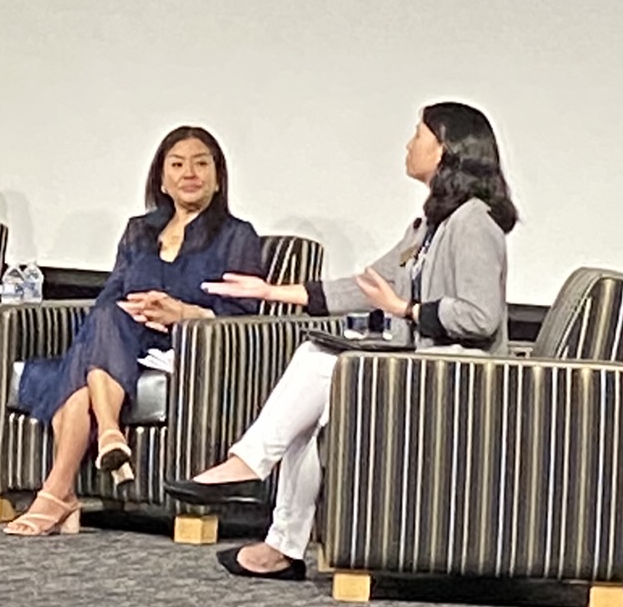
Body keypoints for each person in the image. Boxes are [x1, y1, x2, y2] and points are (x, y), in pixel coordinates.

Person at [163, 101, 517, 580]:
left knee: (316, 361)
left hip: (458, 378)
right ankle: (281, 548)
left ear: (446, 148)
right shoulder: (431, 224)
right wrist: (274, 291)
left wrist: (407, 310)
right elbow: (365, 283)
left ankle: (247, 465)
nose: (408, 144)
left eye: (418, 134)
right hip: (425, 369)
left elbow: (479, 317)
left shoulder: (473, 221)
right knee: (315, 409)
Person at [4, 126, 265, 539]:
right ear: (161, 179)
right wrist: (131, 309)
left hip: (182, 349)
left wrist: (184, 313)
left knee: (84, 360)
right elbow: (110, 293)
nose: (189, 174)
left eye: (201, 164)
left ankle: (61, 488)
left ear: (218, 178)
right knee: (108, 318)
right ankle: (98, 444)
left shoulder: (237, 236)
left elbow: (243, 314)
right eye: (177, 165)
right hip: (121, 341)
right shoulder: (139, 231)